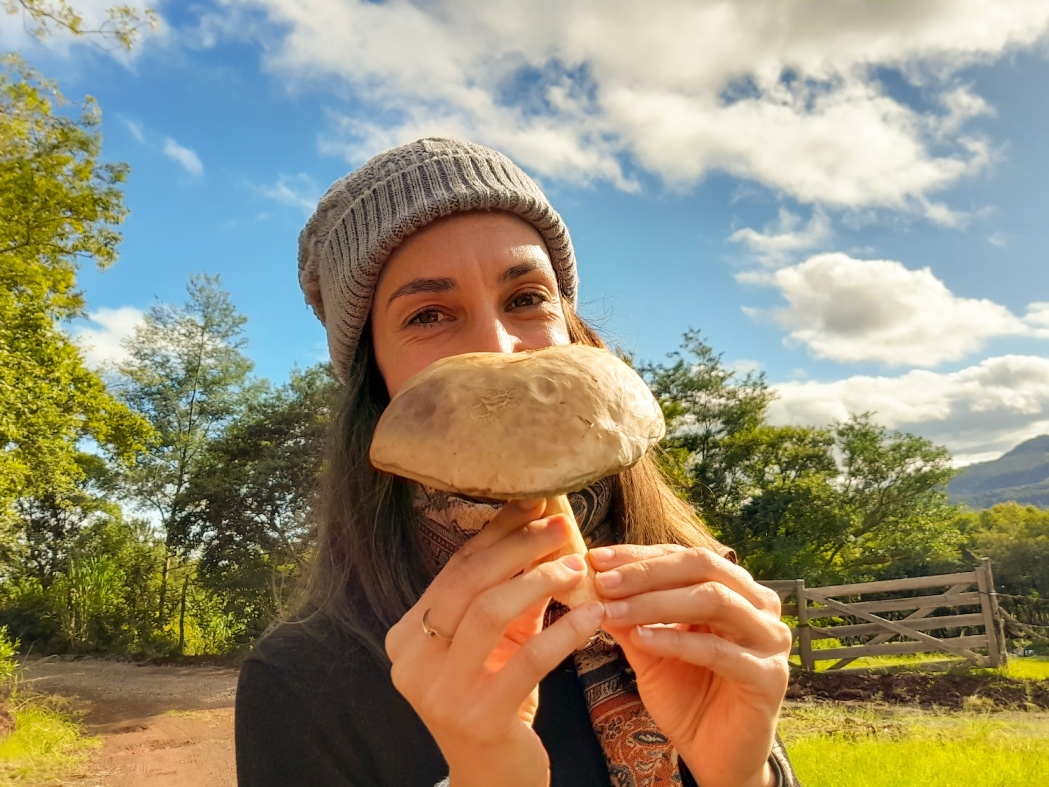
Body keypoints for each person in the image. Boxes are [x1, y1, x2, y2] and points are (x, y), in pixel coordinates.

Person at [235, 137, 800, 787]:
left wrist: (743, 777)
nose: (498, 348)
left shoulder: (688, 597)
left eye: (526, 298)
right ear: (376, 381)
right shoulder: (305, 681)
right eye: (428, 314)